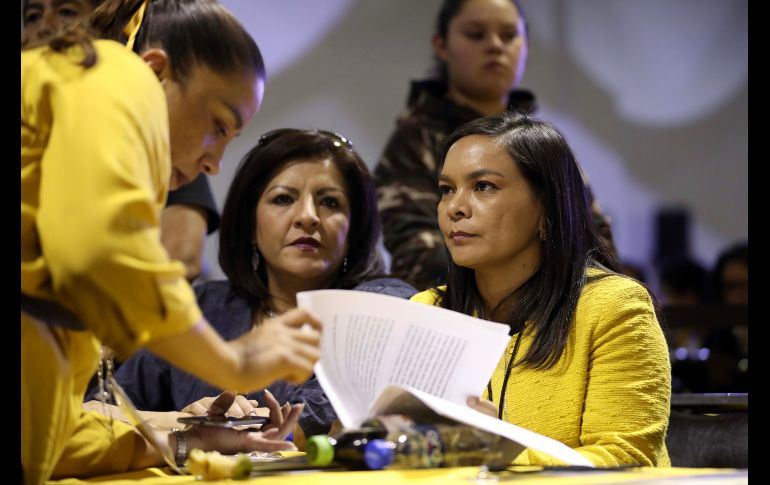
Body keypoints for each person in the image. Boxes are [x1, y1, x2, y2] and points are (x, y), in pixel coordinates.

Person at [21, 1, 322, 482]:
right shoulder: (114, 71)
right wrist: (235, 361)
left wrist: (190, 439)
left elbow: (54, 441)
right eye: (218, 126)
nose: (214, 164)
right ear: (157, 71)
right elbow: (99, 252)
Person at [85, 129, 417, 450]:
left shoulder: (383, 303)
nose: (308, 216)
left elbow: (305, 422)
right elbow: (98, 412)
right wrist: (183, 421)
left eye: (330, 202)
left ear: (355, 230)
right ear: (251, 227)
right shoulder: (205, 305)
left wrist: (206, 429)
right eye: (283, 199)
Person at [410, 112, 671, 467]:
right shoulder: (426, 311)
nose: (455, 207)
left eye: (483, 186)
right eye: (446, 190)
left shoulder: (616, 308)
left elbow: (625, 459)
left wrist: (494, 452)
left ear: (546, 206)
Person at [374, 0, 614, 290]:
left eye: (509, 35)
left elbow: (595, 241)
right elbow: (418, 258)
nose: (495, 46)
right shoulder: (415, 140)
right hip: (458, 317)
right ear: (441, 45)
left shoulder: (542, 142)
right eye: (475, 34)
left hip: (562, 308)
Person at [22, 0, 221, 283]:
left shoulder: (151, 131)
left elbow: (182, 253)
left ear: (105, 27)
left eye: (66, 12)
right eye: (32, 16)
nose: (44, 27)